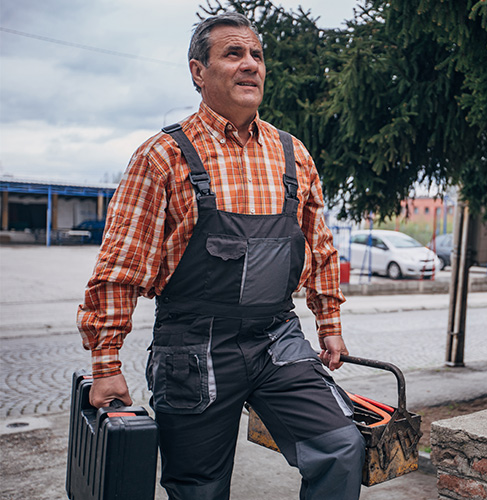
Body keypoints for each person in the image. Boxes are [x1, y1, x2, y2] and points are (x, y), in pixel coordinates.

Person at [77, 12, 364, 500]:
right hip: (192, 345)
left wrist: (329, 323)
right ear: (198, 72)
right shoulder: (162, 156)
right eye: (234, 53)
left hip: (277, 337)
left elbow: (319, 247)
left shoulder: (292, 154)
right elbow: (118, 268)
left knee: (341, 446)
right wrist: (106, 367)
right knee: (199, 488)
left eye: (256, 55)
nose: (250, 64)